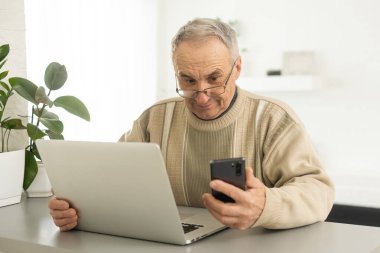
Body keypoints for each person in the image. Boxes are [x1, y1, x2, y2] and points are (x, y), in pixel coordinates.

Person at [48, 18, 334, 231]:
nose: (201, 95)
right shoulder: (154, 119)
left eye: (214, 78)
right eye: (187, 80)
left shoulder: (273, 118)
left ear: (237, 68)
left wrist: (265, 207)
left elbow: (318, 191)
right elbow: (109, 179)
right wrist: (73, 206)